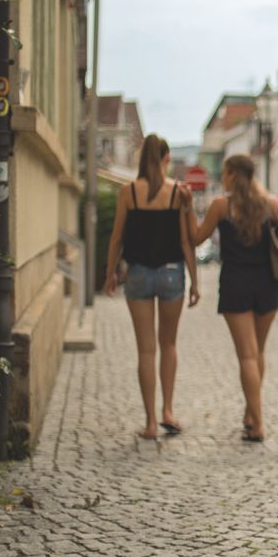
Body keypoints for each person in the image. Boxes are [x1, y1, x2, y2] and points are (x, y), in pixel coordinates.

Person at [183, 154, 278, 443]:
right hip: (267, 284)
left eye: (225, 173)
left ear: (231, 175)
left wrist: (190, 208)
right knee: (258, 353)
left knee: (246, 355)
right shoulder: (272, 205)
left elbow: (195, 238)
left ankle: (258, 424)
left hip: (236, 284)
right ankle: (250, 413)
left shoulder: (221, 206)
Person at [104, 134, 199, 439]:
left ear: (141, 158)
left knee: (146, 350)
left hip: (138, 274)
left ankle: (149, 423)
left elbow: (117, 238)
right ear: (166, 159)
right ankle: (168, 411)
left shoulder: (128, 192)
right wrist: (195, 281)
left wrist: (109, 274)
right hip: (172, 273)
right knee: (168, 345)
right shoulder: (178, 193)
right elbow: (186, 240)